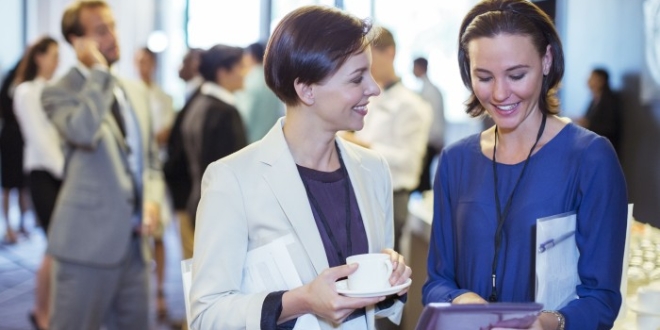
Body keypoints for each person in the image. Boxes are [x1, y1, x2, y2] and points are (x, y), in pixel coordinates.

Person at [190, 6, 411, 329]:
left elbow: (373, 306)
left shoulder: (373, 169)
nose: (374, 89)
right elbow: (206, 315)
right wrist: (300, 300)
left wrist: (391, 278)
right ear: (306, 89)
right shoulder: (233, 179)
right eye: (357, 78)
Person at [421, 1, 628, 330]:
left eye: (517, 75)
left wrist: (545, 324)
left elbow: (601, 297)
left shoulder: (590, 157)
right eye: (484, 77)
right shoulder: (455, 160)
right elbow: (437, 283)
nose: (501, 94)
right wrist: (463, 301)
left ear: (546, 61)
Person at [41, 1, 164, 329]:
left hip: (137, 248)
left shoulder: (136, 91)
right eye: (100, 31)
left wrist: (151, 200)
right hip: (85, 248)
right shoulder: (59, 92)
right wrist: (97, 72)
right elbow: (83, 131)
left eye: (113, 26)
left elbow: (150, 160)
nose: (113, 36)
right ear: (76, 41)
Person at [342, 27, 432, 253]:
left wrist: (362, 146)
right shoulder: (371, 97)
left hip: (392, 197)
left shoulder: (413, 105)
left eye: (370, 58)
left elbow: (409, 161)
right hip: (361, 191)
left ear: (389, 53)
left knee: (387, 271)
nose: (366, 67)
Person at [12, 35, 61, 330]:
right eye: (53, 56)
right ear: (38, 57)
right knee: (55, 247)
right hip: (44, 173)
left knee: (57, 248)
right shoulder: (27, 91)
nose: (56, 62)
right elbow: (41, 141)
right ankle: (41, 310)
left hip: (56, 172)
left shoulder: (48, 89)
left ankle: (46, 309)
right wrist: (68, 171)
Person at [180, 44, 248, 223]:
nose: (245, 73)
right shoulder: (223, 112)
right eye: (240, 67)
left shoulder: (200, 102)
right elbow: (227, 170)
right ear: (222, 72)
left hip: (199, 203)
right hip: (218, 211)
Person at [134, 45, 174, 322]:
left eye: (148, 61)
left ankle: (159, 290)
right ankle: (136, 291)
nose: (143, 66)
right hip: (133, 170)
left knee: (158, 231)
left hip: (157, 169)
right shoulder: (128, 92)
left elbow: (163, 135)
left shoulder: (164, 98)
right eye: (139, 62)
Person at [164, 47, 203, 264]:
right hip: (185, 188)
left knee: (193, 259)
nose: (180, 68)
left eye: (185, 62)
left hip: (189, 189)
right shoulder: (193, 94)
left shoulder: (202, 98)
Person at [0, 61, 30, 244]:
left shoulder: (27, 82)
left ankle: (22, 224)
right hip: (10, 137)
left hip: (23, 136)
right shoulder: (10, 80)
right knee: (8, 184)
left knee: (22, 184)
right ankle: (8, 226)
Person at [235, 41, 285, 143]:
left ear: (250, 56)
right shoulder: (273, 79)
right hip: (271, 139)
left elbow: (244, 116)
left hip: (250, 142)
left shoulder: (248, 81)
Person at [412, 57, 445, 192]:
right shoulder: (431, 89)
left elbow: (432, 120)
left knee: (423, 178)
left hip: (429, 140)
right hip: (432, 139)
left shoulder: (429, 92)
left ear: (420, 68)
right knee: (424, 177)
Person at [576, 68, 622, 157]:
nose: (588, 81)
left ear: (601, 81)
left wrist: (588, 124)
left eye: (592, 78)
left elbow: (610, 127)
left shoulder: (610, 101)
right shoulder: (593, 100)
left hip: (605, 150)